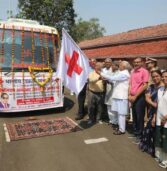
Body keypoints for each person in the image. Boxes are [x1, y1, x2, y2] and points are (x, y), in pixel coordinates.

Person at [101, 61, 130, 135]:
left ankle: (122, 129)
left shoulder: (124, 74)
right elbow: (114, 80)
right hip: (118, 96)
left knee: (121, 114)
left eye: (120, 65)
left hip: (122, 97)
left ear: (123, 67)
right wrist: (108, 79)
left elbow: (112, 77)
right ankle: (119, 126)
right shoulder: (121, 73)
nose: (118, 66)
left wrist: (100, 73)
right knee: (118, 113)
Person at [139, 70, 163, 156]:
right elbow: (147, 98)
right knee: (149, 130)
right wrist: (154, 104)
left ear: (161, 76)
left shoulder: (164, 88)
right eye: (153, 77)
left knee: (159, 132)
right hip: (152, 111)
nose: (155, 78)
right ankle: (149, 147)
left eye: (157, 76)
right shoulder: (151, 87)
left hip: (162, 112)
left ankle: (159, 152)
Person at [128, 57, 149, 143]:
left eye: (138, 62)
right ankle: (136, 132)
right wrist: (129, 95)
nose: (136, 63)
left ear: (142, 63)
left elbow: (145, 85)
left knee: (140, 116)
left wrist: (135, 96)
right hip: (132, 96)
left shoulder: (144, 71)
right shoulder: (132, 71)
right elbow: (130, 84)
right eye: (135, 62)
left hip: (139, 97)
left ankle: (140, 135)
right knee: (135, 115)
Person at [154, 70, 167, 168]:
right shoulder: (160, 89)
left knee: (166, 140)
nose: (164, 78)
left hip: (166, 120)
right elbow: (158, 105)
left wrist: (166, 117)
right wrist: (155, 117)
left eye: (166, 76)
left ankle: (165, 161)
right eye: (163, 76)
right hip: (159, 118)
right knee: (159, 138)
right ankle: (159, 156)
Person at [101, 58, 113, 122]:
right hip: (103, 88)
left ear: (111, 63)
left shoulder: (113, 70)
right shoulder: (103, 70)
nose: (107, 63)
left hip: (111, 88)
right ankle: (106, 116)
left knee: (110, 104)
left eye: (108, 62)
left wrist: (107, 79)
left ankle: (112, 119)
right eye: (106, 62)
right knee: (104, 103)